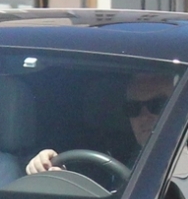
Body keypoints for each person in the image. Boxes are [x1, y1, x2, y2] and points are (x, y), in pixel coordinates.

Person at [23, 68, 179, 177]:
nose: (144, 116)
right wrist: (47, 166)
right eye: (133, 108)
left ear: (179, 105)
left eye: (157, 105)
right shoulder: (110, 156)